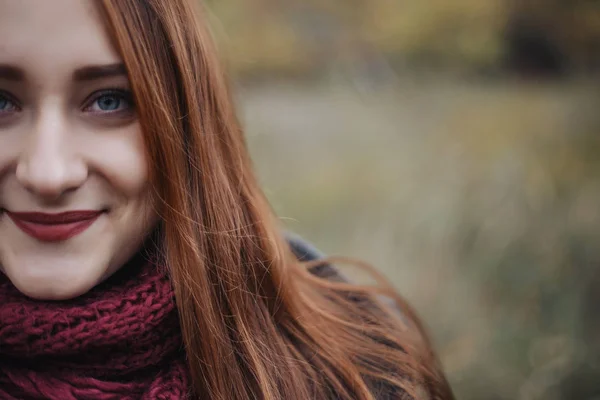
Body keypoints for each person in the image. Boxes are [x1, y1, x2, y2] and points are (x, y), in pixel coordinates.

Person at [0, 1, 454, 399]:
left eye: (109, 100)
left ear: (185, 122)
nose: (48, 173)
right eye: (1, 103)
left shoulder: (349, 374)